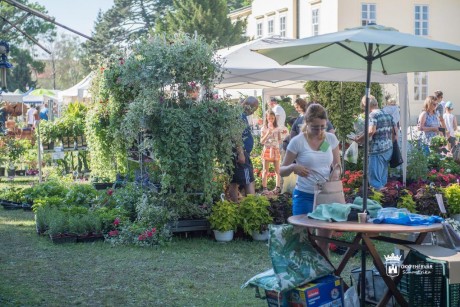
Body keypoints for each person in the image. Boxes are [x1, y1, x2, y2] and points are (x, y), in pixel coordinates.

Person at [280, 103, 340, 253]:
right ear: (306, 123)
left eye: (322, 127)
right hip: (304, 195)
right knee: (302, 241)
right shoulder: (297, 141)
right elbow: (281, 170)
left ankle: (325, 274)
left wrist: (336, 174)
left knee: (324, 242)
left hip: (325, 197)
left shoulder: (330, 139)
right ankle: (303, 274)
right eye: (315, 127)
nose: (319, 131)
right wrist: (294, 167)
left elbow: (337, 165)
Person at [355, 95, 396, 190]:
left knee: (375, 182)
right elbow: (395, 132)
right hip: (388, 149)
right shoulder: (387, 114)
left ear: (366, 105)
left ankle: (377, 201)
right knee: (382, 179)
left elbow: (371, 131)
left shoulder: (373, 115)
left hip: (376, 150)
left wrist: (359, 139)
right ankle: (384, 200)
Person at [228, 96, 259, 203]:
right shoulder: (239, 116)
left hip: (236, 152)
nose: (253, 112)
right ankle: (252, 207)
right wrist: (240, 153)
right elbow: (236, 135)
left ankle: (235, 206)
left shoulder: (240, 114)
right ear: (248, 106)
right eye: (254, 109)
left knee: (234, 181)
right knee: (248, 180)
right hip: (240, 152)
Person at [260, 110, 282, 195]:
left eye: (272, 118)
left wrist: (279, 136)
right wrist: (268, 133)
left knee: (277, 170)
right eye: (269, 118)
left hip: (275, 149)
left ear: (274, 118)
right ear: (266, 118)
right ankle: (264, 188)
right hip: (267, 149)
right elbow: (261, 141)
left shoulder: (277, 127)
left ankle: (277, 188)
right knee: (265, 171)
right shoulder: (264, 128)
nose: (271, 120)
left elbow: (280, 140)